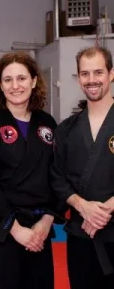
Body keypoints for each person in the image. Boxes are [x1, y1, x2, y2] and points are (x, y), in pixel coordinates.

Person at [0, 51, 60, 289]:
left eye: (21, 78)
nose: (15, 85)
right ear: (0, 85)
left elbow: (57, 175)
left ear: (33, 81)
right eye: (8, 79)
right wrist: (16, 229)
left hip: (39, 231)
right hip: (2, 231)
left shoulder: (47, 124)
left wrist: (46, 221)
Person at [51, 46, 114, 288]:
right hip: (81, 236)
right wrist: (82, 206)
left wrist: (103, 210)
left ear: (111, 74)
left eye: (98, 72)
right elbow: (57, 177)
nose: (92, 80)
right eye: (85, 74)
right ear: (79, 79)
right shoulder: (66, 129)